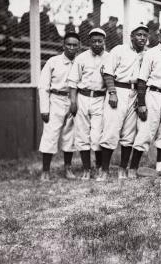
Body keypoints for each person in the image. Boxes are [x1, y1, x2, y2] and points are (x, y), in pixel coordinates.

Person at [127, 23, 161, 178]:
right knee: (145, 131)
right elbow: (142, 80)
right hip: (153, 94)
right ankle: (132, 168)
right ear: (159, 36)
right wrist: (142, 103)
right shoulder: (151, 53)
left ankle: (160, 168)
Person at [98, 23, 149, 182]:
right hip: (118, 90)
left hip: (135, 93)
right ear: (131, 36)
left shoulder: (147, 54)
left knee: (129, 134)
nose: (142, 38)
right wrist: (112, 92)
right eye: (139, 34)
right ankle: (104, 170)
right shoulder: (119, 50)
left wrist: (141, 98)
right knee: (111, 130)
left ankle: (122, 168)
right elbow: (107, 73)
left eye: (145, 35)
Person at [38, 32, 81, 181]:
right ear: (63, 45)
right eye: (68, 44)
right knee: (50, 134)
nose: (71, 47)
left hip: (73, 99)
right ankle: (45, 170)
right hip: (55, 99)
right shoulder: (53, 61)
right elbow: (43, 86)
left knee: (70, 135)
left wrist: (75, 102)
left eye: (75, 45)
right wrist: (44, 108)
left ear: (79, 47)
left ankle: (68, 168)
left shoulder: (80, 62)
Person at [68, 28, 109, 180]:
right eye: (94, 41)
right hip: (83, 97)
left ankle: (99, 167)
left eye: (100, 41)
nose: (97, 44)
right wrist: (73, 101)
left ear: (104, 41)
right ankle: (86, 169)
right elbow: (73, 82)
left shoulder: (110, 57)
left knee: (97, 136)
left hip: (100, 98)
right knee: (82, 135)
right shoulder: (81, 58)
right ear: (89, 42)